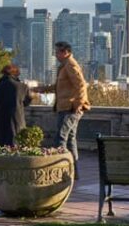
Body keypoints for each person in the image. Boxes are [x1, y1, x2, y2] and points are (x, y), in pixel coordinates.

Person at [35, 41, 89, 176]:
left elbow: (81, 85)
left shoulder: (71, 65)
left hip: (69, 108)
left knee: (61, 138)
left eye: (58, 52)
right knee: (70, 140)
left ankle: (61, 171)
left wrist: (78, 103)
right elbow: (60, 86)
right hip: (66, 107)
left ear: (66, 52)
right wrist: (43, 89)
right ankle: (73, 172)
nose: (56, 55)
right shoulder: (64, 66)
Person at [0, 63, 33, 147]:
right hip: (18, 119)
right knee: (17, 144)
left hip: (2, 118)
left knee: (1, 145)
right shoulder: (23, 86)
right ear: (16, 74)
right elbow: (27, 101)